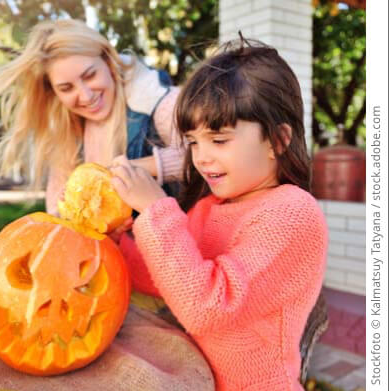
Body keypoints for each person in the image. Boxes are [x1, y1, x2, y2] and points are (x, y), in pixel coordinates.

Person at [109, 36, 328, 391]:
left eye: (219, 140)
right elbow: (167, 278)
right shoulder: (210, 208)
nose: (202, 157)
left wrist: (153, 211)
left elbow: (205, 307)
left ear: (278, 141)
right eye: (194, 142)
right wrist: (117, 244)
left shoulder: (292, 214)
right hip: (196, 379)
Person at [0, 19, 183, 216]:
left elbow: (200, 159)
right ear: (54, 92)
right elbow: (56, 211)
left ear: (108, 61)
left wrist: (117, 172)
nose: (86, 96)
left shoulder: (159, 101)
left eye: (90, 75)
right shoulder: (66, 133)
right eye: (66, 88)